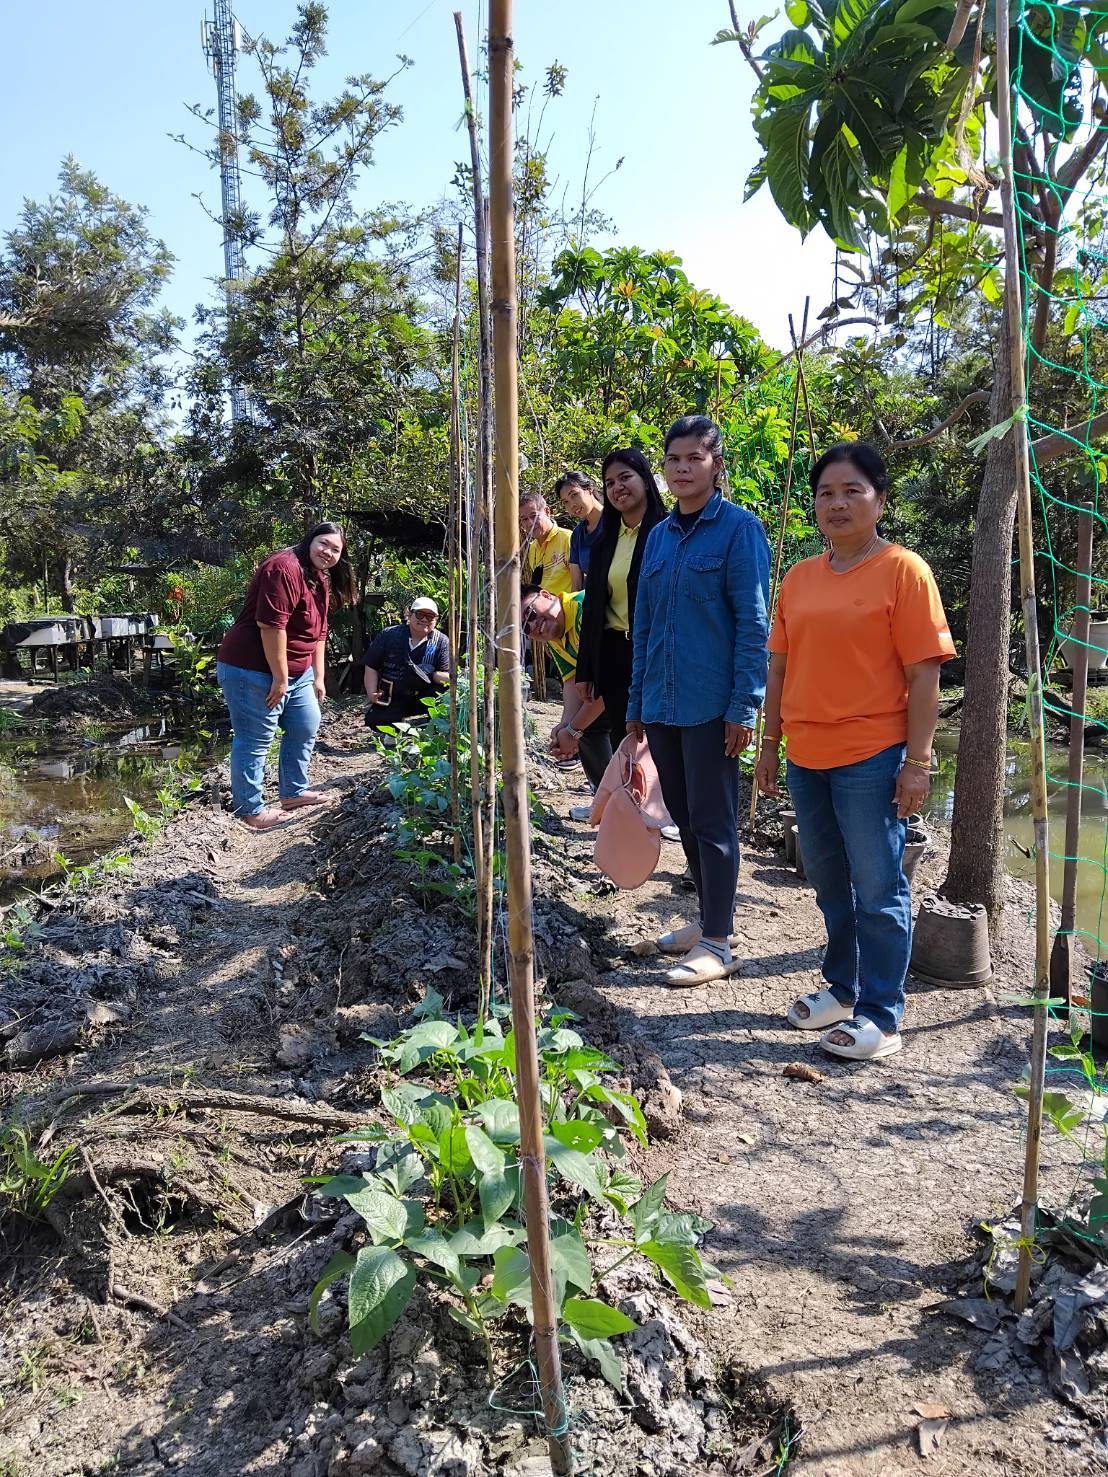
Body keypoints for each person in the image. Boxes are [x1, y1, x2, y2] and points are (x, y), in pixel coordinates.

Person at [754, 441, 956, 1061]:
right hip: (805, 754)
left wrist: (917, 763)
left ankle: (881, 1013)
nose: (837, 503)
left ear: (880, 500)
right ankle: (842, 990)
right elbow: (780, 668)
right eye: (826, 493)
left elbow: (925, 675)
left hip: (872, 752)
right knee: (828, 882)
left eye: (852, 491)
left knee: (878, 887)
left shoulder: (903, 570)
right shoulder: (800, 577)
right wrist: (769, 744)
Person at [627, 416, 770, 987]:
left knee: (714, 821)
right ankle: (707, 921)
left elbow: (754, 625)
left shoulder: (739, 530)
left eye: (694, 458)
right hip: (661, 704)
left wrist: (745, 707)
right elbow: (645, 626)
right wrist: (636, 703)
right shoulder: (658, 537)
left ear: (716, 465)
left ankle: (718, 941)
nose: (682, 468)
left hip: (713, 706)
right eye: (674, 460)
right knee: (682, 817)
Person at [216, 522, 355, 830]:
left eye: (336, 549)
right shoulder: (282, 569)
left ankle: (293, 791)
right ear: (310, 539)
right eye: (324, 544)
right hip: (251, 669)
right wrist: (280, 679)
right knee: (255, 739)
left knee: (306, 724)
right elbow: (271, 627)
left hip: (298, 671)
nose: (328, 552)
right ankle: (250, 809)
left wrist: (318, 676)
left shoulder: (319, 578)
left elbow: (319, 632)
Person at [575, 448, 669, 807]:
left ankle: (668, 809)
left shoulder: (667, 531)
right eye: (610, 483)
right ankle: (632, 816)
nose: (618, 488)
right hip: (615, 652)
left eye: (625, 478)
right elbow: (593, 610)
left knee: (661, 736)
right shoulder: (604, 541)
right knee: (623, 736)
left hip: (658, 651)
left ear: (645, 479)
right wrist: (587, 669)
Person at [520, 581, 607, 817]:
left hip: (642, 682)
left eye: (531, 613)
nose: (535, 626)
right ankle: (607, 801)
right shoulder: (555, 638)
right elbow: (571, 680)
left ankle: (657, 809)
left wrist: (573, 731)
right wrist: (564, 727)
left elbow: (608, 684)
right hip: (615, 688)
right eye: (527, 628)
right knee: (585, 727)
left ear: (546, 595)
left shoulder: (582, 609)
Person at [364, 597, 451, 728]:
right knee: (375, 721)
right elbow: (371, 665)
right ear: (409, 614)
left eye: (430, 616)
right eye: (420, 614)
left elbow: (448, 677)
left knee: (440, 692)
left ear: (436, 620)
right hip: (393, 696)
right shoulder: (389, 635)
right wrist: (371, 693)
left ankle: (428, 725)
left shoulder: (442, 641)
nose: (424, 620)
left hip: (424, 696)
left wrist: (431, 675)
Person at [557, 471, 605, 590]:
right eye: (566, 502)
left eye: (574, 495)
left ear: (589, 489)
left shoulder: (616, 521)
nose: (572, 505)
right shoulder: (577, 535)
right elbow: (577, 586)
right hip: (593, 603)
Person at [519, 492, 574, 596]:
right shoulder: (532, 548)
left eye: (533, 516)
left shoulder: (567, 538)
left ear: (547, 511)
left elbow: (581, 583)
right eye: (525, 519)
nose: (530, 523)